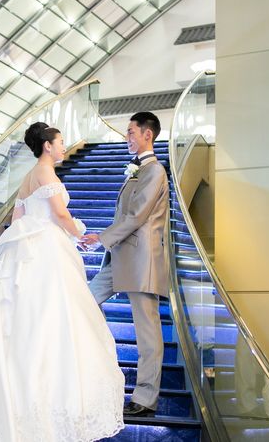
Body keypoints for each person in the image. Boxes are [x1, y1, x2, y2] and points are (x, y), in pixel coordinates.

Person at [0, 122, 125, 442]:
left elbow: (17, 219)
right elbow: (59, 214)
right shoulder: (46, 173)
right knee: (49, 316)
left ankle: (12, 390)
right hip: (47, 249)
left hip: (27, 247)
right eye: (60, 142)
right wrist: (80, 236)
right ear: (47, 146)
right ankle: (41, 397)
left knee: (22, 317)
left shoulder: (29, 176)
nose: (63, 147)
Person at [81, 111, 169, 417]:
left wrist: (101, 238)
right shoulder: (137, 170)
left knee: (147, 334)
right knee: (83, 301)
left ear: (147, 134)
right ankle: (93, 372)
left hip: (141, 261)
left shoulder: (155, 171)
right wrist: (105, 239)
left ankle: (145, 399)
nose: (127, 137)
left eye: (131, 132)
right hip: (119, 257)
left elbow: (137, 216)